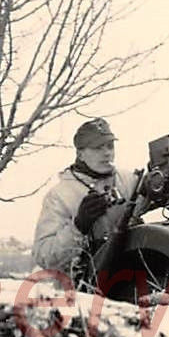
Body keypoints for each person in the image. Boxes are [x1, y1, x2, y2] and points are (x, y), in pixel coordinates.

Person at [32, 118, 141, 280]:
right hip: (83, 290)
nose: (107, 153)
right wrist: (78, 227)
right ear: (80, 154)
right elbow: (44, 256)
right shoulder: (60, 196)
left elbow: (158, 196)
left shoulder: (128, 180)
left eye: (110, 146)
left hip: (130, 279)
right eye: (98, 148)